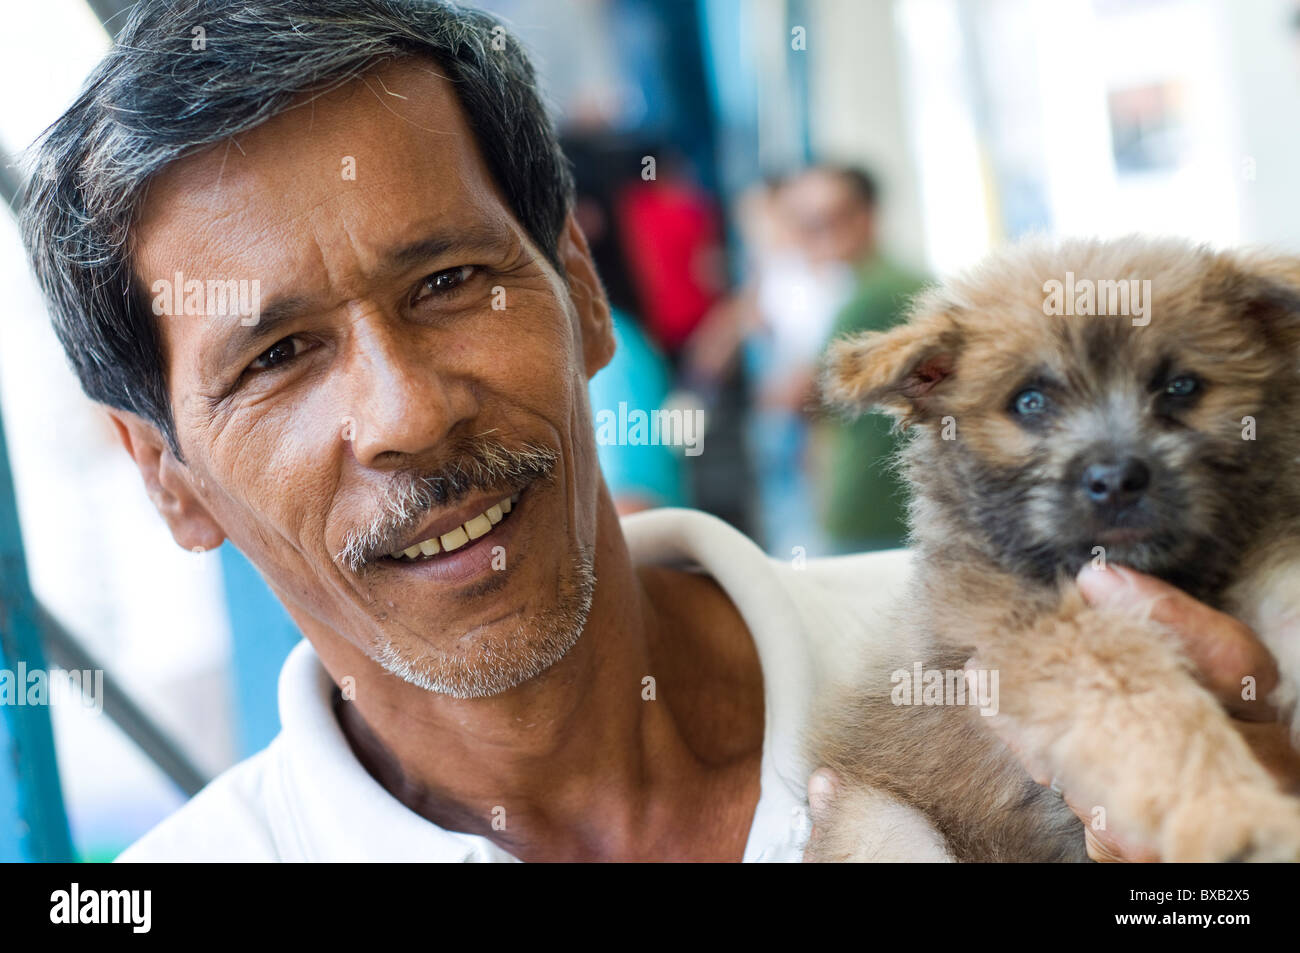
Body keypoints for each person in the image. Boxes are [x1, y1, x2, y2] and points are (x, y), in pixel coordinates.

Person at [19, 0, 1296, 862]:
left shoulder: (1028, 650)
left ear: (581, 290)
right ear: (166, 478)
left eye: (450, 281)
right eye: (280, 355)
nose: (406, 411)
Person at [780, 165, 930, 553]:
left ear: (867, 215)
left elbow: (802, 397)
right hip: (898, 500)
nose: (814, 234)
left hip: (870, 506)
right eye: (805, 222)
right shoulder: (898, 283)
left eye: (831, 218)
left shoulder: (872, 297)